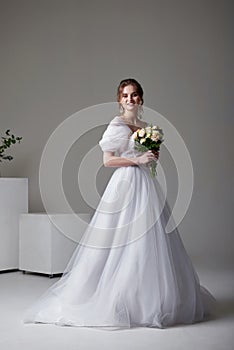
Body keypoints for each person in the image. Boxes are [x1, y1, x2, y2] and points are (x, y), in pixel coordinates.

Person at [24, 78, 215, 329]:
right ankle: (115, 299)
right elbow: (107, 161)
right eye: (125, 95)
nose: (130, 99)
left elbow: (147, 157)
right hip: (125, 184)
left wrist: (151, 155)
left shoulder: (147, 127)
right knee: (122, 239)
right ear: (119, 99)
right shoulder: (117, 124)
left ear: (141, 98)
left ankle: (147, 299)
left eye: (134, 95)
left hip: (146, 185)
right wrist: (137, 161)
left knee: (150, 239)